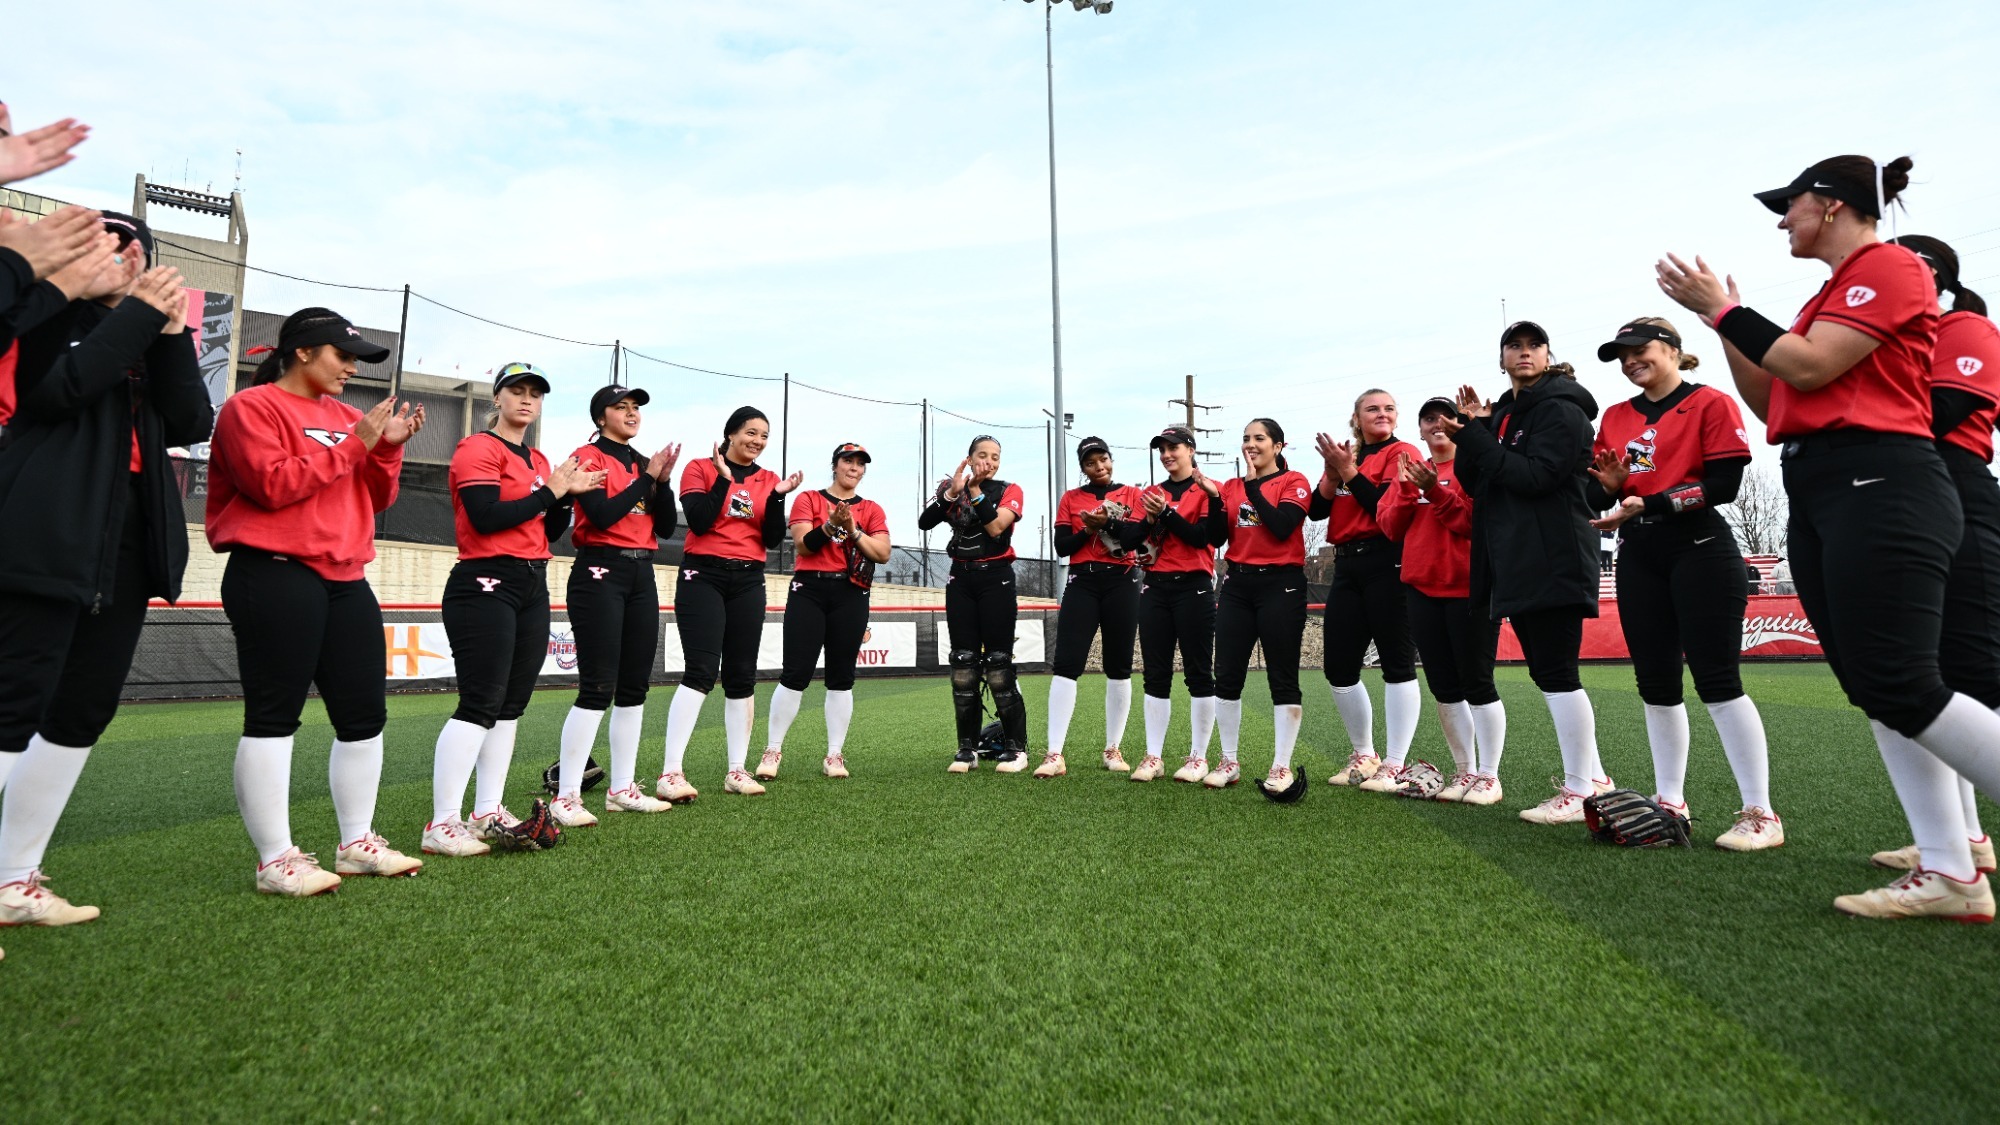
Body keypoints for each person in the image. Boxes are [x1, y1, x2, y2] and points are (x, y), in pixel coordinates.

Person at [1660, 153, 2000, 921]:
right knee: (1878, 689)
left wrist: (1723, 311)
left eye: (1792, 205)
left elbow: (1809, 368)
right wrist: (1725, 325)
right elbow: (1771, 391)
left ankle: (1956, 863)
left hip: (1883, 477)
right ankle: (1951, 870)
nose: (1783, 219)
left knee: (1905, 680)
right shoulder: (1833, 291)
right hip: (1825, 484)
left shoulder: (1891, 266)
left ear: (1833, 204)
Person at [0, 215, 211, 928]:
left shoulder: (150, 334)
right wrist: (138, 318)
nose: (124, 259)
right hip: (43, 531)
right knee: (10, 703)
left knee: (83, 708)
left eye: (136, 251)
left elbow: (190, 420)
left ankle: (14, 877)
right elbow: (57, 389)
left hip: (125, 538)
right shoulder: (41, 313)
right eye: (106, 246)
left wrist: (173, 333)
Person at [208, 308, 425, 894]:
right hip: (274, 572)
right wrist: (358, 443)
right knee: (274, 717)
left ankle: (356, 841)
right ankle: (275, 858)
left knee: (363, 715)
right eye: (343, 355)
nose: (352, 368)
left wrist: (385, 449)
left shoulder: (352, 417)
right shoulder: (249, 409)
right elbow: (272, 485)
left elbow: (375, 496)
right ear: (301, 352)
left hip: (347, 575)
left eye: (356, 358)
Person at [1586, 318, 1780, 849]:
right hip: (1640, 552)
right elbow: (1602, 496)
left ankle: (1760, 812)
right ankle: (1671, 803)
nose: (1629, 362)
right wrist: (1613, 488)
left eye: (1638, 350)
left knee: (1718, 681)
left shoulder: (1711, 402)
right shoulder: (1617, 416)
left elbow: (1725, 485)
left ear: (1672, 350)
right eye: (1620, 355)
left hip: (1699, 547)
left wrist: (1650, 500)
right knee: (1656, 684)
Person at [425, 363, 604, 856]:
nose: (527, 400)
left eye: (535, 394)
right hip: (485, 580)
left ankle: (485, 809)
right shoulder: (478, 448)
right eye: (517, 391)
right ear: (497, 399)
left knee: (509, 707)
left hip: (530, 581)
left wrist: (566, 499)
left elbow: (545, 530)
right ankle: (442, 823)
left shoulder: (541, 459)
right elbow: (485, 517)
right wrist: (551, 492)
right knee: (480, 703)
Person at [1868, 235, 2000, 879]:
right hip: (1902, 497)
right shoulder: (1886, 342)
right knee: (1932, 678)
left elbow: (1944, 411)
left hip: (1957, 491)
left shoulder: (1966, 326)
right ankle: (1964, 843)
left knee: (1976, 676)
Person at [1441, 322, 1609, 824]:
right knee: (1547, 672)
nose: (1524, 352)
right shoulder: (1506, 413)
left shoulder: (1561, 407)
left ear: (1548, 355)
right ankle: (1594, 779)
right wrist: (1475, 433)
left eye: (1534, 345)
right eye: (1514, 346)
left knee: (1557, 672)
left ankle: (1580, 790)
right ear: (1501, 360)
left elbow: (1536, 477)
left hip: (1553, 551)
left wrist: (1477, 435)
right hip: (1517, 555)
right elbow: (1476, 481)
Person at [547, 384, 679, 818]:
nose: (632, 412)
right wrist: (646, 478)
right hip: (599, 570)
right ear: (601, 417)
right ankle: (567, 795)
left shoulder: (643, 463)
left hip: (641, 571)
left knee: (634, 688)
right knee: (597, 686)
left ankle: (622, 788)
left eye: (636, 406)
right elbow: (602, 515)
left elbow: (662, 525)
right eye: (620, 407)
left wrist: (663, 482)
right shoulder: (590, 457)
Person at [656, 407, 802, 800]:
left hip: (748, 579)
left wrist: (776, 498)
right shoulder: (699, 468)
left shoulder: (769, 479)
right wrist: (723, 480)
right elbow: (699, 522)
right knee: (701, 671)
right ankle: (671, 772)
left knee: (741, 675)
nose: (757, 441)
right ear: (731, 434)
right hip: (703, 575)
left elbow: (772, 539)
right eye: (751, 433)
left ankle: (736, 770)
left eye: (764, 436)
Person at [1375, 397, 1507, 804]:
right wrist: (1406, 488)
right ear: (1419, 430)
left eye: (1446, 417)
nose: (1437, 424)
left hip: (1470, 589)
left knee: (1478, 683)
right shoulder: (1411, 472)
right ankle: (1464, 772)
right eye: (1429, 418)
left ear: (1460, 425)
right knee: (1444, 687)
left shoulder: (1476, 467)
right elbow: (1390, 528)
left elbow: (1473, 523)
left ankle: (1489, 776)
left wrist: (1435, 493)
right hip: (1420, 589)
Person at [1310, 390, 1423, 791]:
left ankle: (1395, 762)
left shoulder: (1402, 452)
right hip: (1347, 564)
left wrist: (1349, 471)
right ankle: (1364, 754)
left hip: (1387, 559)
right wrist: (1333, 470)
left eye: (1389, 408)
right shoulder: (1349, 456)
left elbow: (1386, 505)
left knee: (1397, 663)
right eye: (1372, 408)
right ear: (1356, 418)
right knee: (1339, 668)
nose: (1382, 413)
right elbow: (1317, 510)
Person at [759, 442, 891, 779]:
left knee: (841, 677)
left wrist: (853, 529)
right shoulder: (810, 499)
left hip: (851, 592)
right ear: (835, 465)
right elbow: (804, 544)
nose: (854, 468)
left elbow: (882, 553)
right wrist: (831, 525)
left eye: (860, 463)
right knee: (795, 674)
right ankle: (773, 750)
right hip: (810, 588)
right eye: (848, 460)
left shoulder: (872, 508)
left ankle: (834, 754)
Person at [1210, 419, 1313, 793]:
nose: (1250, 444)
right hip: (1238, 585)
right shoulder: (1231, 487)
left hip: (1281, 584)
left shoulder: (1294, 481)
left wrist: (1253, 486)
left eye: (1259, 438)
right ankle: (1229, 760)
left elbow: (1283, 526)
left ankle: (1281, 766)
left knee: (1282, 677)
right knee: (1227, 675)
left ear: (1279, 446)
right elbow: (1216, 535)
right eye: (1245, 438)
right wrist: (1210, 499)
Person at [1037, 436, 1148, 778]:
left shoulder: (1131, 494)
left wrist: (1109, 523)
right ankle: (1055, 753)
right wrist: (1088, 527)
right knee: (1067, 663)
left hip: (1122, 579)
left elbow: (1135, 539)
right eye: (1090, 462)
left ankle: (1113, 748)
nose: (1099, 467)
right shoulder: (1071, 498)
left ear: (1111, 459)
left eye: (1103, 459)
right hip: (1082, 581)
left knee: (1119, 665)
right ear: (1082, 467)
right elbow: (1062, 545)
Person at [918, 435, 1029, 774]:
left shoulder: (1010, 489)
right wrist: (953, 492)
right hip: (960, 579)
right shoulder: (954, 490)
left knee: (998, 663)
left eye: (995, 456)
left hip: (996, 578)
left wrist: (977, 490)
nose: (989, 461)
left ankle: (1016, 749)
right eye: (982, 455)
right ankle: (967, 749)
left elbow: (996, 528)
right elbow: (925, 522)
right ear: (968, 458)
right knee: (963, 664)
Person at [1134, 426, 1228, 783]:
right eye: (1162, 449)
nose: (1167, 454)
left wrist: (1167, 515)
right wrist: (1146, 519)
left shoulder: (1206, 488)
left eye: (1174, 447)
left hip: (1194, 587)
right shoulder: (1151, 493)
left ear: (1191, 449)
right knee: (1155, 674)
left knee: (1198, 674)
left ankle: (1198, 757)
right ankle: (1153, 756)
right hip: (1155, 589)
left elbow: (1204, 538)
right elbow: (1131, 537)